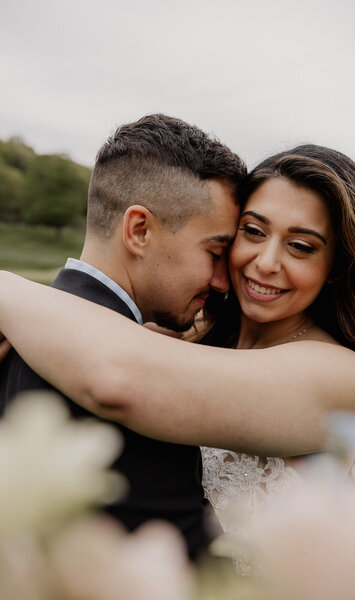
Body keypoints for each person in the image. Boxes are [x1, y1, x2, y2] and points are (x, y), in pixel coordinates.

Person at [0, 144, 355, 552]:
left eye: (301, 246)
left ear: (335, 270)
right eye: (254, 231)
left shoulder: (341, 378)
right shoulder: (186, 334)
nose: (265, 262)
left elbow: (120, 379)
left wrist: (9, 290)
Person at [0, 113, 247, 559]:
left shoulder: (17, 334)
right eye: (214, 251)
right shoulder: (144, 382)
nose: (222, 281)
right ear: (139, 231)